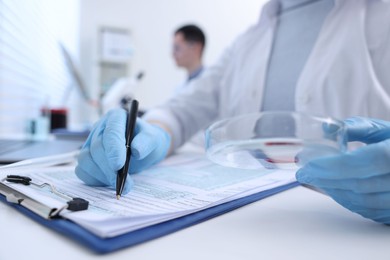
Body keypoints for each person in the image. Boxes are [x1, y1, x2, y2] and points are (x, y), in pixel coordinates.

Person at [76, 0, 390, 225]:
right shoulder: (246, 42)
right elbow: (184, 109)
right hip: (247, 225)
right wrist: (151, 131)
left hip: (349, 232)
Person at [172, 24, 206, 93]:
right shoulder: (179, 89)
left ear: (196, 47)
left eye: (177, 48)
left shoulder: (212, 84)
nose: (173, 54)